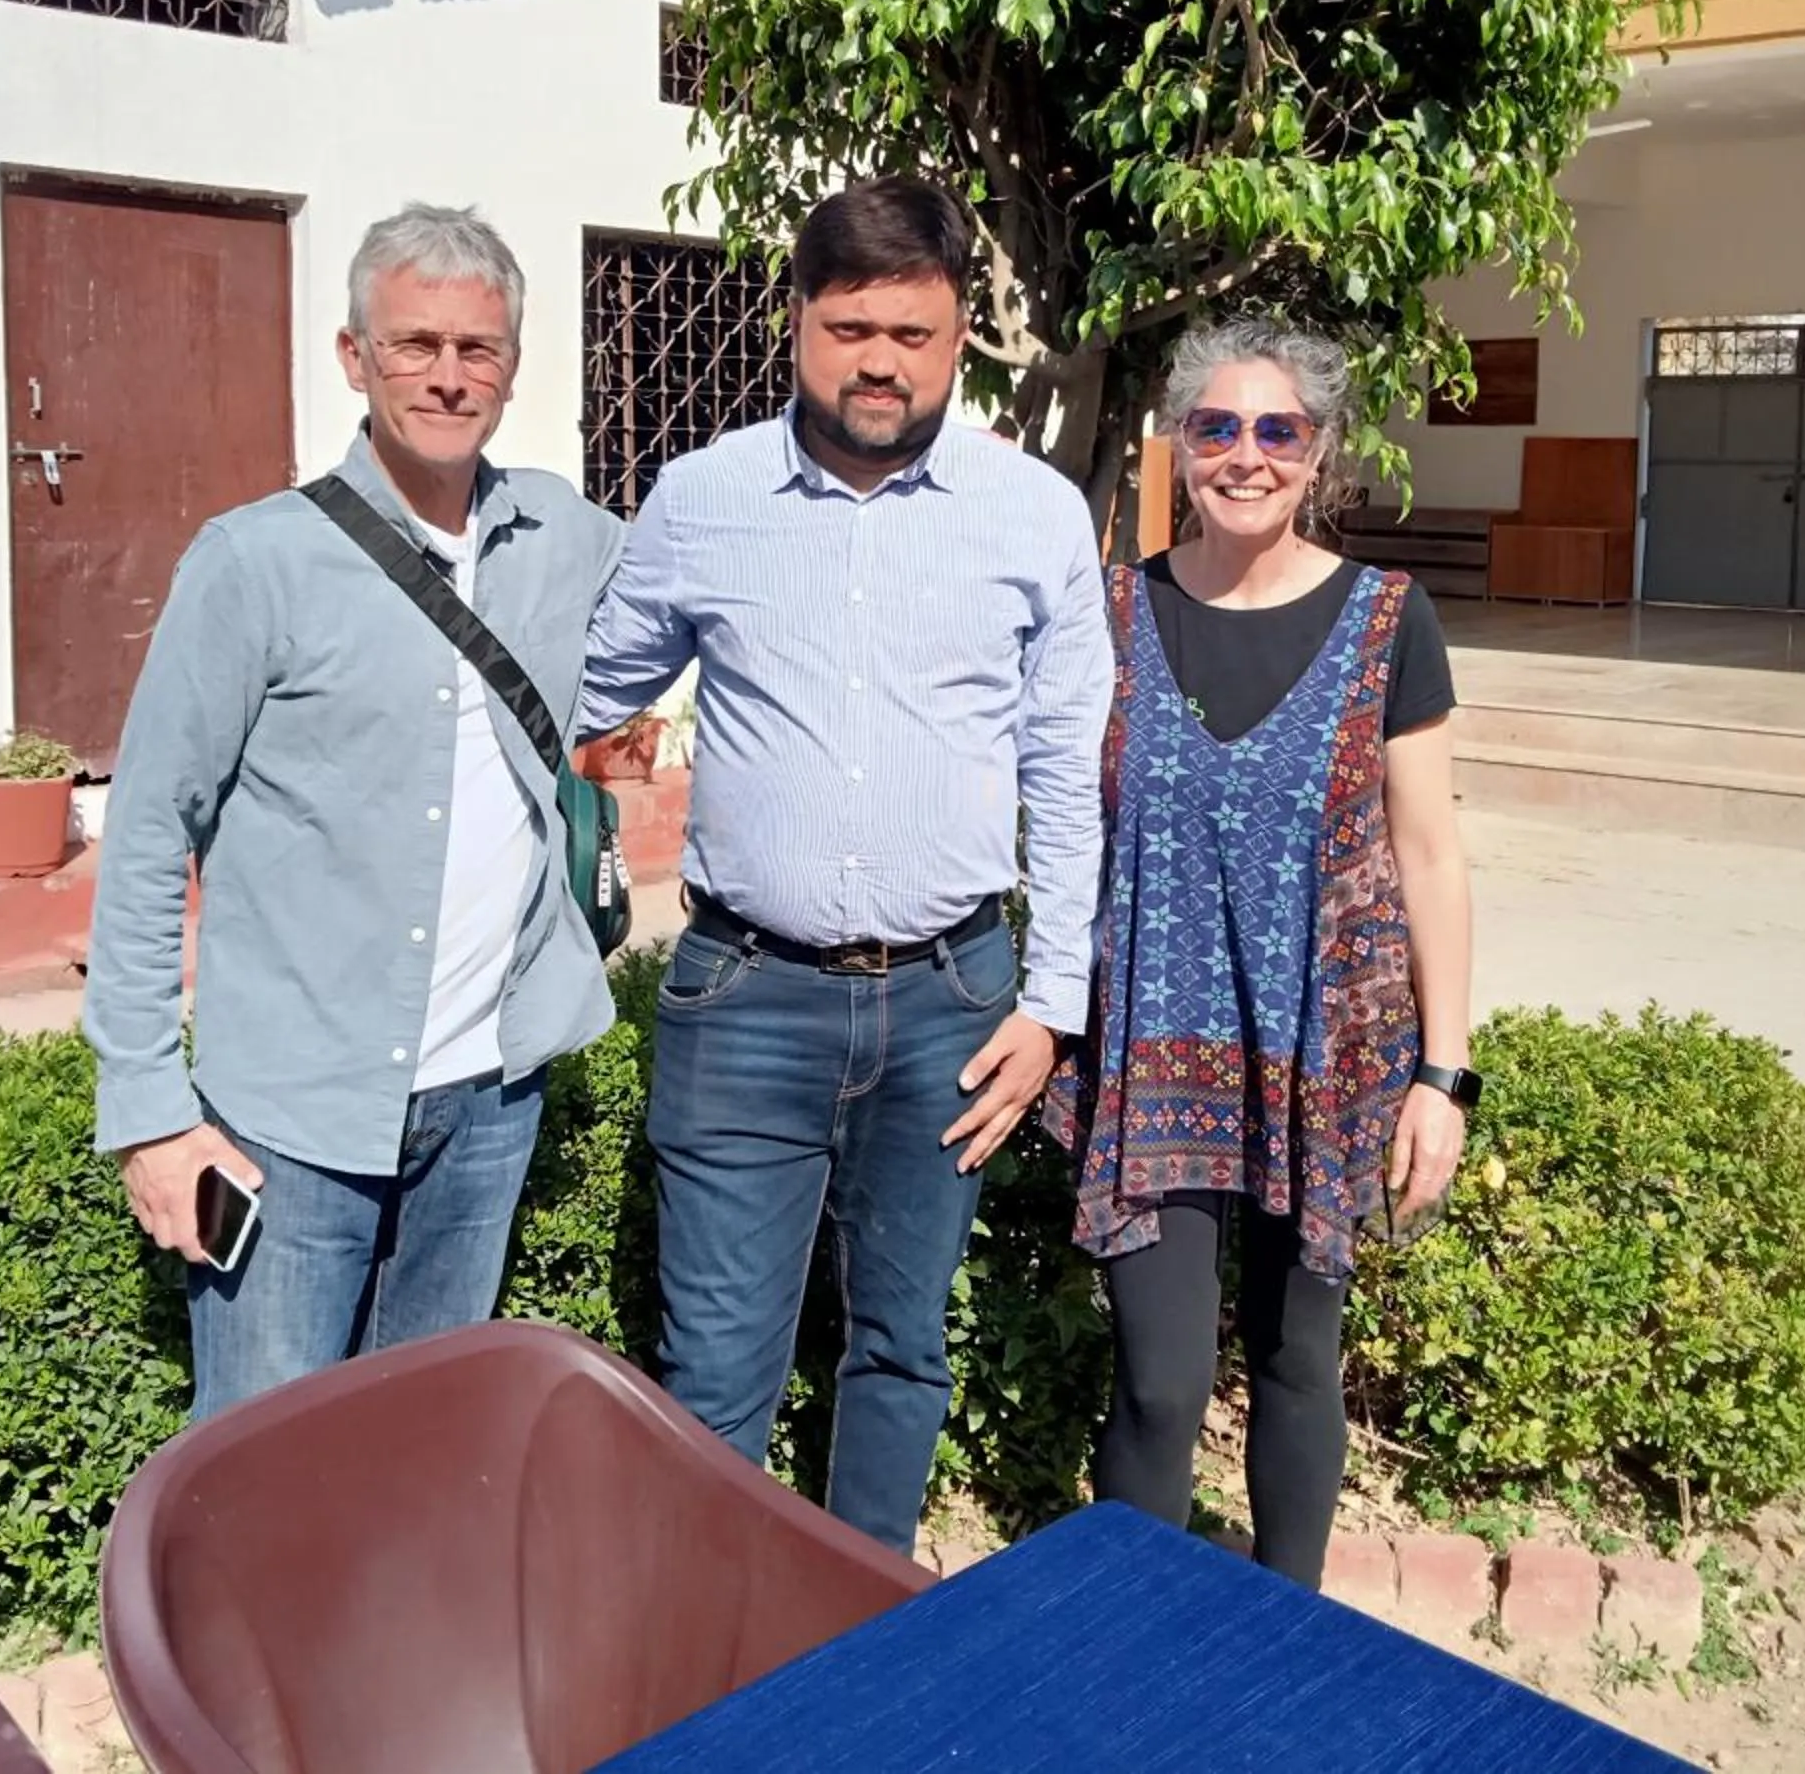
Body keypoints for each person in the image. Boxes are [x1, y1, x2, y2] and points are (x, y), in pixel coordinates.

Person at [581, 176, 1116, 1556]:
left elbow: (1066, 773)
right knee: (714, 1373)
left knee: (901, 1347)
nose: (880, 361)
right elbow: (590, 689)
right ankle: (712, 1646)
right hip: (746, 998)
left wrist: (1052, 1003)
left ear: (959, 336)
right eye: (850, 328)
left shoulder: (1034, 515)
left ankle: (866, 1631)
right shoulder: (704, 499)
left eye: (913, 334)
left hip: (952, 1003)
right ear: (798, 323)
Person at [83, 203, 624, 1419]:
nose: (447, 376)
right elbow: (151, 831)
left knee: (421, 1442)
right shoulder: (255, 563)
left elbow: (717, 582)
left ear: (513, 366)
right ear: (353, 356)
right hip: (292, 1112)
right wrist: (148, 1114)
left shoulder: (565, 537)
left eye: (476, 348)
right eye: (414, 344)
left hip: (489, 1098)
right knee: (262, 1460)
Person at [1044, 316, 1476, 1591]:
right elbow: (1053, 814)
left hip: (1321, 1063)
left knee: (1297, 1363)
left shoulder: (1389, 620)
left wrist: (1443, 1078)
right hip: (1151, 1059)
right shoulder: (1114, 612)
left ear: (1321, 450)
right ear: (1179, 444)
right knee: (1160, 1383)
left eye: (1278, 429)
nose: (1247, 455)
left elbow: (1430, 856)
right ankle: (1135, 1640)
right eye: (1217, 427)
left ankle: (1289, 1635)